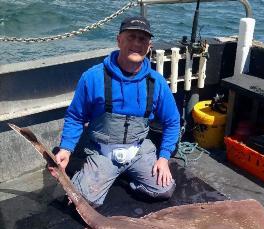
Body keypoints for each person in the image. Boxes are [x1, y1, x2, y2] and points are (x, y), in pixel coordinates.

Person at [53, 15, 180, 206]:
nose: (137, 43)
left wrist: (163, 157)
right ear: (118, 40)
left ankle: (122, 177)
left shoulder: (157, 82)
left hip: (138, 149)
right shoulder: (93, 77)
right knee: (82, 202)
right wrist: (66, 148)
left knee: (164, 189)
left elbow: (172, 122)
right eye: (131, 37)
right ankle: (89, 170)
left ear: (149, 46)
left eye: (142, 39)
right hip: (102, 151)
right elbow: (75, 116)